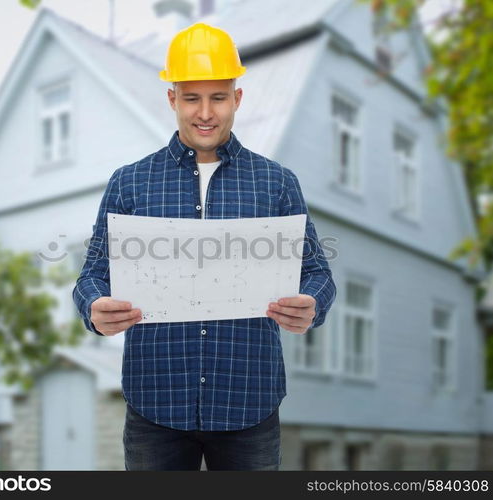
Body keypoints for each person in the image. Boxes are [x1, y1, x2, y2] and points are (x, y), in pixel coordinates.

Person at [73, 22, 336, 471]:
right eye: (192, 98)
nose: (205, 113)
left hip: (248, 403)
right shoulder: (130, 182)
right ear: (172, 98)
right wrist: (94, 306)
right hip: (155, 402)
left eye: (217, 97)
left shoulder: (275, 182)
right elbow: (93, 273)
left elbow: (317, 274)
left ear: (237, 98)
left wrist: (313, 303)